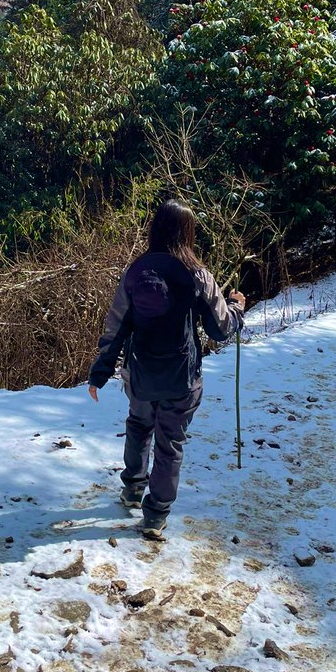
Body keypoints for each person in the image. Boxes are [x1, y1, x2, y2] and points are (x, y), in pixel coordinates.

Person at [88, 199, 245, 539]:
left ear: (155, 230)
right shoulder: (198, 275)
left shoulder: (136, 272)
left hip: (139, 373)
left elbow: (116, 326)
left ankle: (132, 488)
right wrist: (236, 306)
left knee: (139, 425)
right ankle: (155, 516)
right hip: (181, 378)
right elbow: (220, 328)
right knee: (169, 443)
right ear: (187, 234)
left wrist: (100, 372)